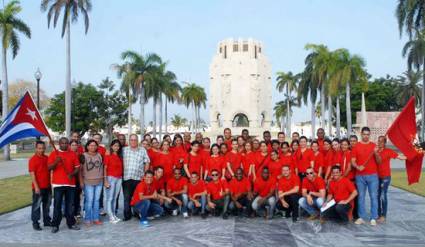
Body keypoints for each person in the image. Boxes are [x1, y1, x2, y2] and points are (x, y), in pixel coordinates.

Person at [48, 137, 80, 233]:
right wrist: (56, 162)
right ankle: (55, 225)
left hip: (70, 184)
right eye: (63, 143)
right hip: (58, 184)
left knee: (69, 205)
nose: (65, 145)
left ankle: (71, 223)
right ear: (59, 143)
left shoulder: (72, 154)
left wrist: (72, 174)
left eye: (66, 143)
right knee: (57, 205)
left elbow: (77, 168)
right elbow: (49, 168)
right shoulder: (54, 154)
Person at [351, 127, 381, 226]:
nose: (366, 136)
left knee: (373, 197)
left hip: (373, 176)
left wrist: (376, 153)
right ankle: (361, 217)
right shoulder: (356, 146)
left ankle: (373, 217)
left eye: (368, 134)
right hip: (360, 176)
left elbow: (379, 161)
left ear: (370, 135)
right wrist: (357, 166)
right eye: (364, 134)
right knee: (361, 197)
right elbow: (353, 161)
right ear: (361, 134)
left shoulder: (374, 146)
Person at [376, 135, 406, 223]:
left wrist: (412, 156)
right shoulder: (375, 151)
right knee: (377, 196)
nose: (380, 143)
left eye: (381, 141)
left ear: (385, 143)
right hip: (377, 177)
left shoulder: (388, 151)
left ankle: (383, 216)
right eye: (379, 141)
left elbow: (400, 157)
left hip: (385, 177)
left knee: (382, 195)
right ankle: (378, 214)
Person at [122, 134, 150, 221]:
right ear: (129, 141)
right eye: (131, 140)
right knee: (127, 198)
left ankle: (137, 213)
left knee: (137, 198)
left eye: (135, 140)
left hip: (138, 178)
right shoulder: (124, 150)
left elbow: (147, 162)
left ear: (137, 141)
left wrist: (144, 174)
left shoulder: (142, 150)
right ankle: (127, 215)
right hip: (126, 178)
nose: (133, 141)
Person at [79, 140, 104, 226]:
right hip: (88, 182)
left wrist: (104, 179)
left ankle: (96, 218)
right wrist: (81, 181)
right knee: (89, 201)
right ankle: (88, 219)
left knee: (96, 201)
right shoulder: (83, 156)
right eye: (91, 145)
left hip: (99, 182)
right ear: (87, 146)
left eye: (94, 145)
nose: (93, 147)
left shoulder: (99, 155)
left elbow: (102, 168)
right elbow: (80, 170)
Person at [29, 141, 52, 231]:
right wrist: (36, 187)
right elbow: (32, 174)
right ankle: (35, 222)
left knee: (47, 205)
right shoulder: (33, 159)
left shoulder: (47, 158)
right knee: (37, 206)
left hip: (47, 186)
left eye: (43, 148)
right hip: (38, 187)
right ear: (36, 148)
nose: (41, 150)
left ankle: (46, 221)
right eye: (39, 148)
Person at [104, 139, 123, 224]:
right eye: (115, 145)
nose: (117, 147)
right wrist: (105, 180)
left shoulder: (119, 156)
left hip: (119, 178)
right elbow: (105, 168)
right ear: (112, 146)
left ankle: (114, 214)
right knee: (110, 198)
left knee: (115, 198)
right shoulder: (108, 155)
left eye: (118, 146)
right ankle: (110, 216)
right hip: (110, 178)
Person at [69, 140, 83, 219]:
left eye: (75, 145)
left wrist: (81, 181)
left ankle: (77, 212)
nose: (74, 146)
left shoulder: (80, 155)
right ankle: (70, 213)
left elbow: (80, 169)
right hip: (69, 179)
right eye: (72, 145)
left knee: (77, 197)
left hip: (77, 179)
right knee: (70, 198)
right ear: (69, 146)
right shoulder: (67, 154)